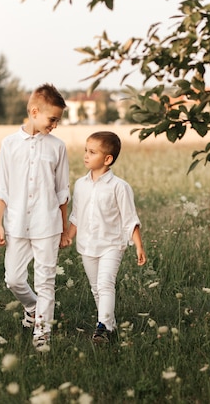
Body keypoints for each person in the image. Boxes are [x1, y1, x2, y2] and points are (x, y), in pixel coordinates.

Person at [0, 83, 71, 350]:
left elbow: (62, 192)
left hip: (47, 223)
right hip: (16, 223)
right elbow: (1, 187)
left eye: (58, 120)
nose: (55, 125)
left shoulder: (57, 147)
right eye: (52, 119)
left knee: (45, 280)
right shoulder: (9, 144)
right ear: (34, 111)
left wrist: (63, 228)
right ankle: (32, 306)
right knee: (13, 278)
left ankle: (42, 334)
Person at [64, 131, 146, 343]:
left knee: (105, 284)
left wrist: (138, 246)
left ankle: (102, 329)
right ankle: (109, 323)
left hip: (112, 244)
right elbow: (76, 215)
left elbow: (130, 218)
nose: (86, 156)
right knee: (95, 288)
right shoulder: (80, 185)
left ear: (107, 159)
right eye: (85, 151)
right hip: (87, 244)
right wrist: (68, 237)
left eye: (92, 152)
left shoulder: (119, 187)